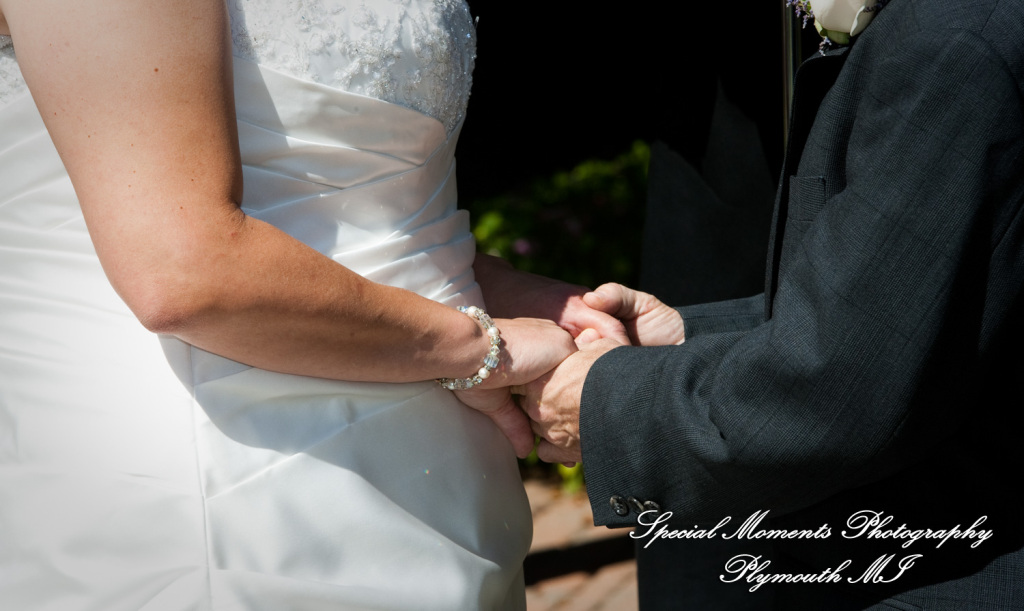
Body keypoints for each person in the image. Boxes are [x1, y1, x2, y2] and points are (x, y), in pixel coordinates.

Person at [0, 1, 628, 608]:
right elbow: (181, 269)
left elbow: (354, 198)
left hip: (440, 457)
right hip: (225, 467)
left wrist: (491, 284)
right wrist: (484, 348)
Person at [521, 0, 1024, 608]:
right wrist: (687, 334)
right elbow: (916, 302)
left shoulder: (951, 46)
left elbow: (836, 387)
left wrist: (601, 404)